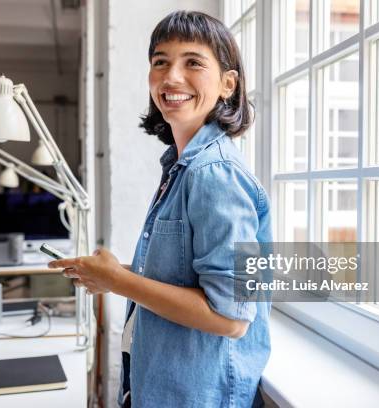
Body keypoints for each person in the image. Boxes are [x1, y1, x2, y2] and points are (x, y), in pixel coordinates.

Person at [49, 10, 271, 408]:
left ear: (227, 83)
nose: (171, 77)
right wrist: (114, 275)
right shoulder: (182, 166)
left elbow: (231, 318)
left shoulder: (214, 174)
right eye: (160, 62)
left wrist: (119, 281)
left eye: (193, 62)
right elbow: (189, 280)